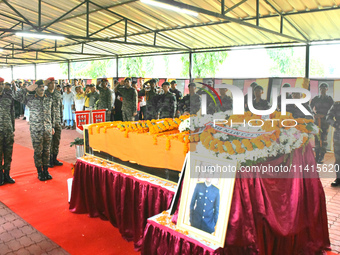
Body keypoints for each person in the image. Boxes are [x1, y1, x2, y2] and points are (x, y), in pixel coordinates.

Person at [16, 80, 55, 181]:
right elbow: (16, 96)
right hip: (36, 130)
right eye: (40, 87)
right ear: (36, 88)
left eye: (43, 87)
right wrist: (27, 89)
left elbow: (52, 113)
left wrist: (52, 126)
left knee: (47, 151)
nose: (42, 88)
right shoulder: (30, 99)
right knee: (38, 151)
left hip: (47, 129)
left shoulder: (48, 98)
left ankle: (46, 170)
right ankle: (39, 172)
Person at [310, 83, 334, 163]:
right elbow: (310, 107)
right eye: (321, 88)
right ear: (320, 89)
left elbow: (333, 110)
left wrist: (325, 115)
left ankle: (322, 156)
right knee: (317, 137)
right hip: (317, 120)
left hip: (325, 121)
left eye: (324, 88)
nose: (323, 90)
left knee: (324, 139)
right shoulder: (316, 98)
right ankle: (317, 155)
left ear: (327, 89)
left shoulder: (329, 99)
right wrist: (314, 115)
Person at [0, 79, 16, 185]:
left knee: (8, 154)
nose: (1, 86)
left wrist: (13, 128)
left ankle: (7, 175)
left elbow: (12, 113)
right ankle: (0, 176)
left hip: (8, 130)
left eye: (1, 84)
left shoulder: (8, 96)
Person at [45, 77, 63, 168]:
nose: (53, 85)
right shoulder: (44, 94)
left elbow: (60, 107)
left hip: (57, 120)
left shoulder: (57, 93)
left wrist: (61, 119)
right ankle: (49, 160)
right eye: (51, 83)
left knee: (56, 140)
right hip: (48, 122)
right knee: (49, 142)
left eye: (54, 83)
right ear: (47, 84)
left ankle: (55, 158)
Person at [326, 102, 340, 187]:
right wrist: (337, 125)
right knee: (338, 158)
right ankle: (338, 178)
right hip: (338, 135)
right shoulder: (337, 104)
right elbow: (328, 117)